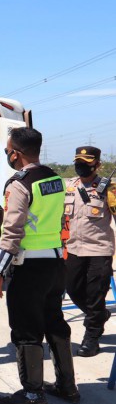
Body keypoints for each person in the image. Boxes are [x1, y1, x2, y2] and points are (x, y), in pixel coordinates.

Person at [0, 128, 79, 404]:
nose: (7, 154)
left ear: (16, 153)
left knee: (26, 330)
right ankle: (67, 387)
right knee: (55, 324)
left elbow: (12, 233)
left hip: (28, 268)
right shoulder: (55, 178)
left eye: (8, 150)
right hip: (54, 265)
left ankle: (32, 394)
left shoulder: (19, 184)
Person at [64, 146, 114, 357]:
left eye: (86, 162)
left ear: (97, 164)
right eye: (78, 162)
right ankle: (99, 314)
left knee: (95, 294)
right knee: (73, 289)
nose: (81, 166)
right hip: (74, 247)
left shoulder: (108, 188)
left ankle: (92, 337)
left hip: (99, 249)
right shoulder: (70, 187)